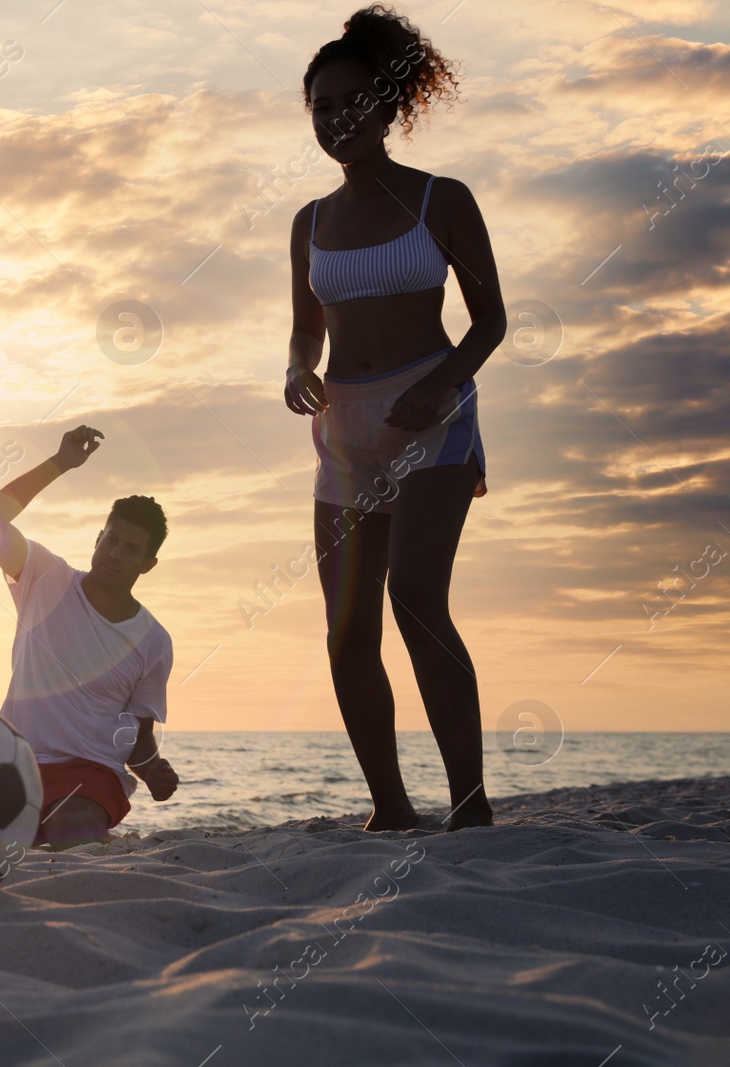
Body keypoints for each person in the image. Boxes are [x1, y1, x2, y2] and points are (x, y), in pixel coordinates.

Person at [285, 6, 505, 831]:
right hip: (344, 429)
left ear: (386, 105)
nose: (337, 119)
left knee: (415, 594)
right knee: (348, 628)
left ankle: (471, 804)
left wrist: (443, 385)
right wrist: (297, 370)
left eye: (351, 102)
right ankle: (390, 808)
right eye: (321, 107)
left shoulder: (442, 200)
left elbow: (490, 321)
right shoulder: (309, 222)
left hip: (434, 416)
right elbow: (307, 331)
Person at [0, 425, 179, 850]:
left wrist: (152, 768)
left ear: (148, 564)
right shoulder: (44, 577)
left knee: (74, 824)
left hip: (90, 776)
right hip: (15, 765)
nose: (115, 554)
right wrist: (60, 463)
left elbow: (135, 736)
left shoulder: (153, 642)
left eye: (131, 549)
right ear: (98, 537)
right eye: (111, 539)